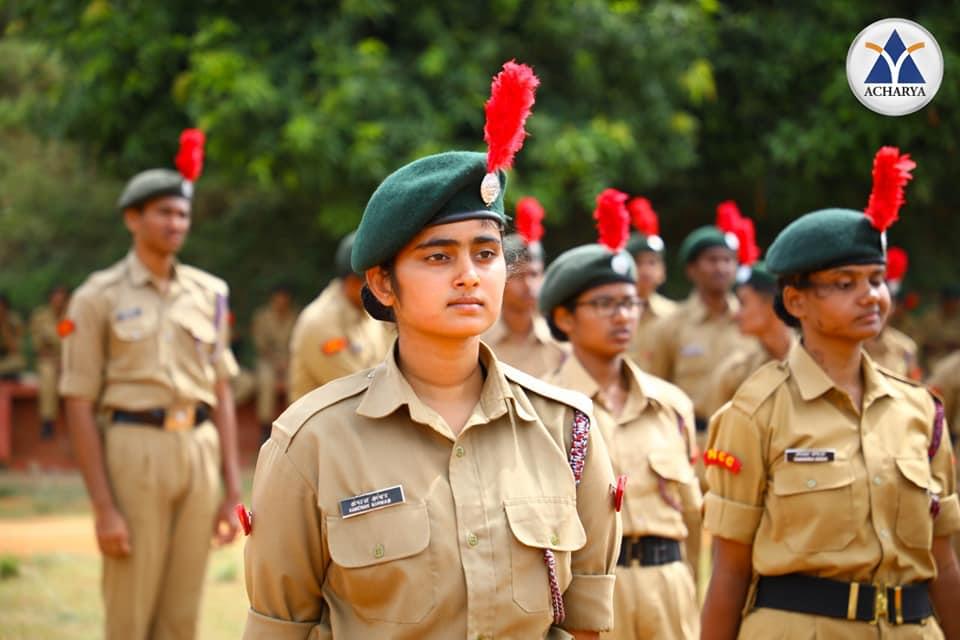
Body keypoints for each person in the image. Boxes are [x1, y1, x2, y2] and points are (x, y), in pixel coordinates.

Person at [242, 61, 621, 640]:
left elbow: (586, 624)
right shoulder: (312, 444)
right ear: (383, 283)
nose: (469, 276)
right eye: (438, 256)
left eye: (486, 253)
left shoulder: (566, 430)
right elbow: (278, 627)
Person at [700, 147, 960, 639]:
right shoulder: (756, 412)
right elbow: (729, 572)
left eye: (876, 280)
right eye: (845, 283)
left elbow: (944, 561)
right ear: (795, 300)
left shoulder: (920, 410)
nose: (871, 296)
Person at [59, 129, 242, 640]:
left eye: (182, 214)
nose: (175, 223)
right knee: (130, 611)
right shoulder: (96, 297)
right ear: (132, 219)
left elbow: (222, 391)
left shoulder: (211, 293)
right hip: (134, 450)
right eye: (163, 212)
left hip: (199, 448)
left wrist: (232, 490)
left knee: (183, 614)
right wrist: (103, 508)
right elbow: (77, 401)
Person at [541, 188, 701, 640]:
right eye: (605, 304)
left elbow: (693, 516)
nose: (623, 316)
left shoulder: (670, 404)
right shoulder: (545, 408)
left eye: (629, 303)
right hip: (584, 598)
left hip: (667, 591)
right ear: (565, 318)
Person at [646, 202, 757, 437]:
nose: (721, 268)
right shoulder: (671, 326)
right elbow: (656, 390)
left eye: (728, 260)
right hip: (691, 439)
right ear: (691, 269)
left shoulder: (751, 322)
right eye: (712, 260)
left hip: (746, 438)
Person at [286, 231, 394, 402]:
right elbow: (356, 391)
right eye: (378, 281)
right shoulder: (321, 322)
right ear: (352, 283)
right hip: (325, 426)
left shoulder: (369, 313)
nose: (385, 287)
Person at [481, 195, 568, 377]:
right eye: (520, 276)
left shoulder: (561, 345)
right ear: (501, 278)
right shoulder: (479, 343)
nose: (529, 285)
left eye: (535, 275)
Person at [702, 261, 794, 418]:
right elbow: (717, 435)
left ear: (773, 305)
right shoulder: (735, 373)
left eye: (743, 303)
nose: (735, 314)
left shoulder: (820, 362)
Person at [623, 197, 677, 372]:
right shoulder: (615, 314)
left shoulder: (674, 316)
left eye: (652, 263)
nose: (645, 270)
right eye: (638, 263)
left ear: (663, 271)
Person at [864, 247, 921, 378]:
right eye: (872, 303)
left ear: (893, 307)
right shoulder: (845, 346)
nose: (876, 309)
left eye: (885, 303)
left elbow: (915, 390)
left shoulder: (906, 348)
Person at [251, 284, 298, 440]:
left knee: (297, 379)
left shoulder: (295, 317)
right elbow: (260, 345)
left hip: (290, 360)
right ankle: (265, 428)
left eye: (284, 298)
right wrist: (277, 362)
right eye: (278, 297)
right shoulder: (262, 317)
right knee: (266, 381)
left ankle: (296, 423)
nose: (281, 301)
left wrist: (287, 362)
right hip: (268, 360)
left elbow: (297, 343)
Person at [29, 285, 70, 438]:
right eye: (55, 297)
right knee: (47, 375)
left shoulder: (72, 315)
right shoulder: (40, 315)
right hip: (48, 360)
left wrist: (54, 342)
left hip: (69, 358)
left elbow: (70, 342)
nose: (58, 301)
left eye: (62, 298)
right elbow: (38, 345)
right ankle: (47, 421)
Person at [0, 293, 26, 381]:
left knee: (18, 362)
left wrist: (4, 326)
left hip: (7, 359)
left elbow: (15, 349)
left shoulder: (14, 321)